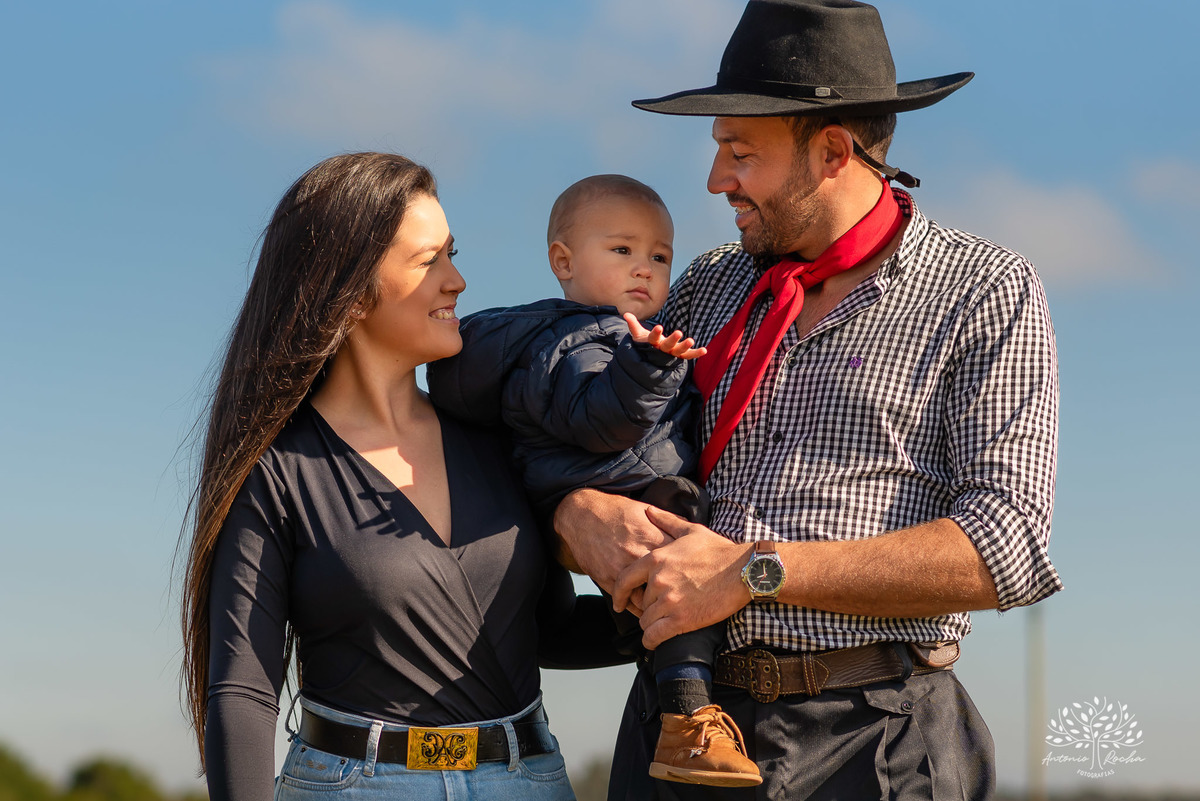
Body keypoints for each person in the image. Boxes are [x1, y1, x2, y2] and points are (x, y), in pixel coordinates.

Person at [552, 2, 1063, 799]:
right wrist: (572, 513)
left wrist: (753, 571)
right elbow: (596, 443)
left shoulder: (985, 289)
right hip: (681, 726)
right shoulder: (707, 285)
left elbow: (1006, 547)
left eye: (739, 152)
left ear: (831, 152)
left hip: (880, 738)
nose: (716, 179)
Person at [179, 152, 622, 801]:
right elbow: (243, 690)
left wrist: (689, 610)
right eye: (428, 261)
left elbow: (547, 629)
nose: (458, 281)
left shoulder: (501, 436)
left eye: (452, 254)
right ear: (352, 290)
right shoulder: (277, 471)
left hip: (530, 780)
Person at [427, 174, 762, 788]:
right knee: (681, 562)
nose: (644, 268)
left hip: (600, 487)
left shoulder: (597, 336)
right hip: (612, 483)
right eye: (622, 249)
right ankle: (687, 720)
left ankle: (638, 656)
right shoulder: (579, 341)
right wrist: (649, 367)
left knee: (627, 609)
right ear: (564, 261)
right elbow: (599, 422)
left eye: (659, 257)